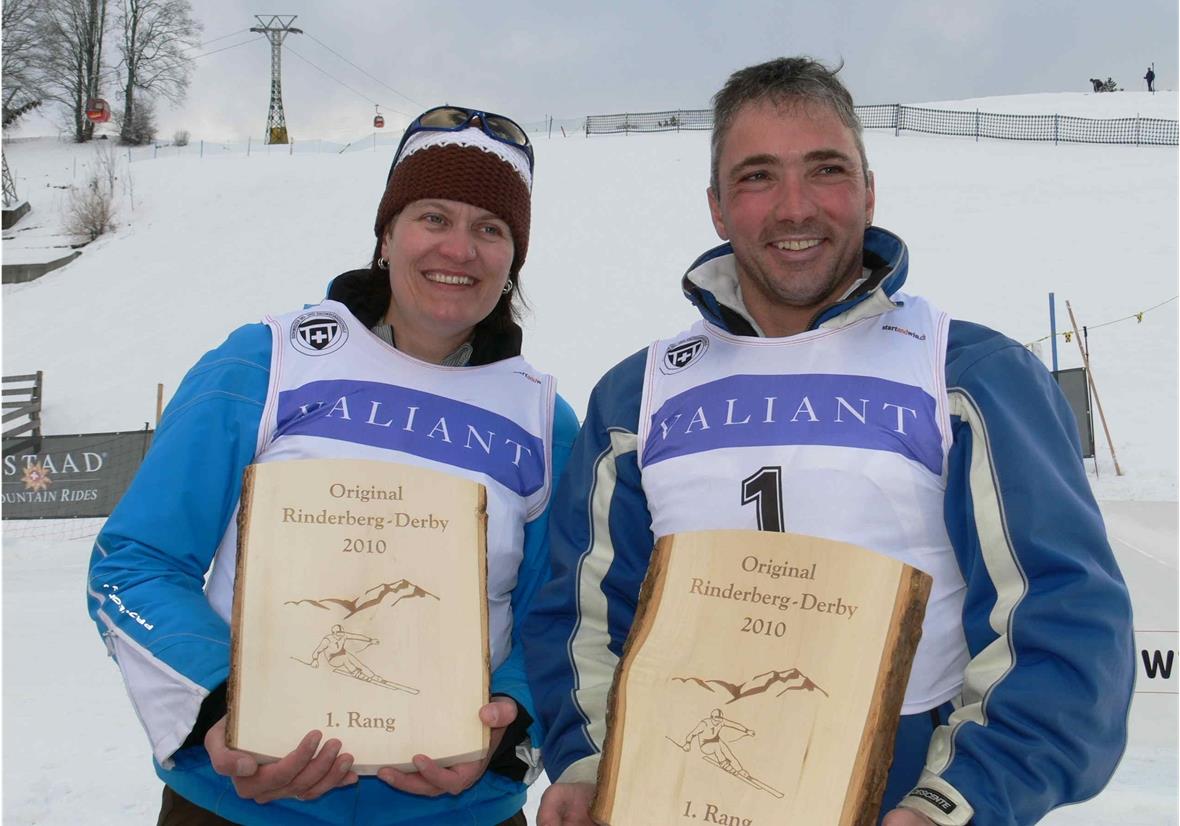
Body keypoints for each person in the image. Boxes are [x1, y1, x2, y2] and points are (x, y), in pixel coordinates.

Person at [524, 57, 1134, 826]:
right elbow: (582, 617)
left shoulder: (969, 375)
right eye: (757, 177)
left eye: (826, 170)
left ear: (870, 190)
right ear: (716, 207)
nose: (795, 207)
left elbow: (1062, 623)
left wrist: (956, 802)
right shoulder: (637, 395)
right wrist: (584, 763)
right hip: (676, 794)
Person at [87, 105, 579, 825]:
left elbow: (557, 614)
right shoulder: (268, 361)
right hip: (243, 804)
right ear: (387, 233)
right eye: (433, 217)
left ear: (513, 260)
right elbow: (136, 561)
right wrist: (223, 705)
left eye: (490, 229)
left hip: (454, 811)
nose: (460, 249)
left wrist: (507, 727)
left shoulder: (543, 419)